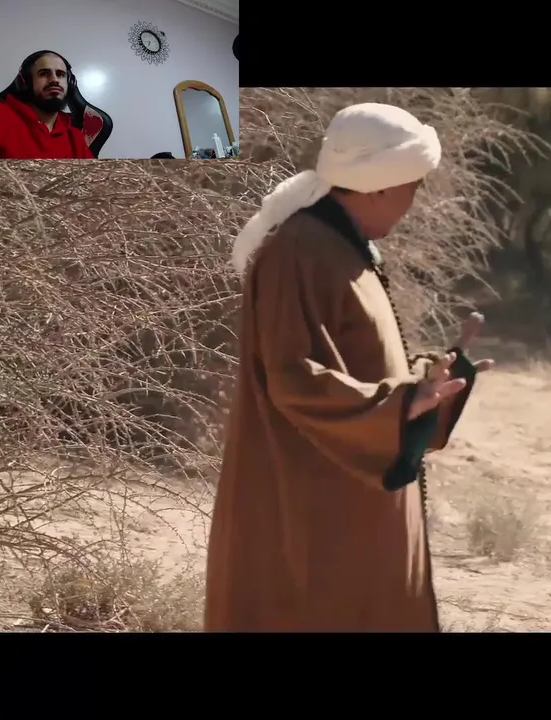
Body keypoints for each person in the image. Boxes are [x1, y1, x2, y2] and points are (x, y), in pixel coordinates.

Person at [204, 103, 494, 632]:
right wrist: (400, 404)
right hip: (311, 515)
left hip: (350, 510)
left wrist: (429, 380)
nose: (413, 201)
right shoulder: (300, 251)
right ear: (379, 187)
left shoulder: (341, 248)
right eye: (411, 186)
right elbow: (294, 378)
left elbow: (354, 365)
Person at [0, 50, 94, 159]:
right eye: (44, 73)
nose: (54, 80)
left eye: (61, 74)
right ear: (26, 82)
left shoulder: (75, 137)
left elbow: (93, 182)